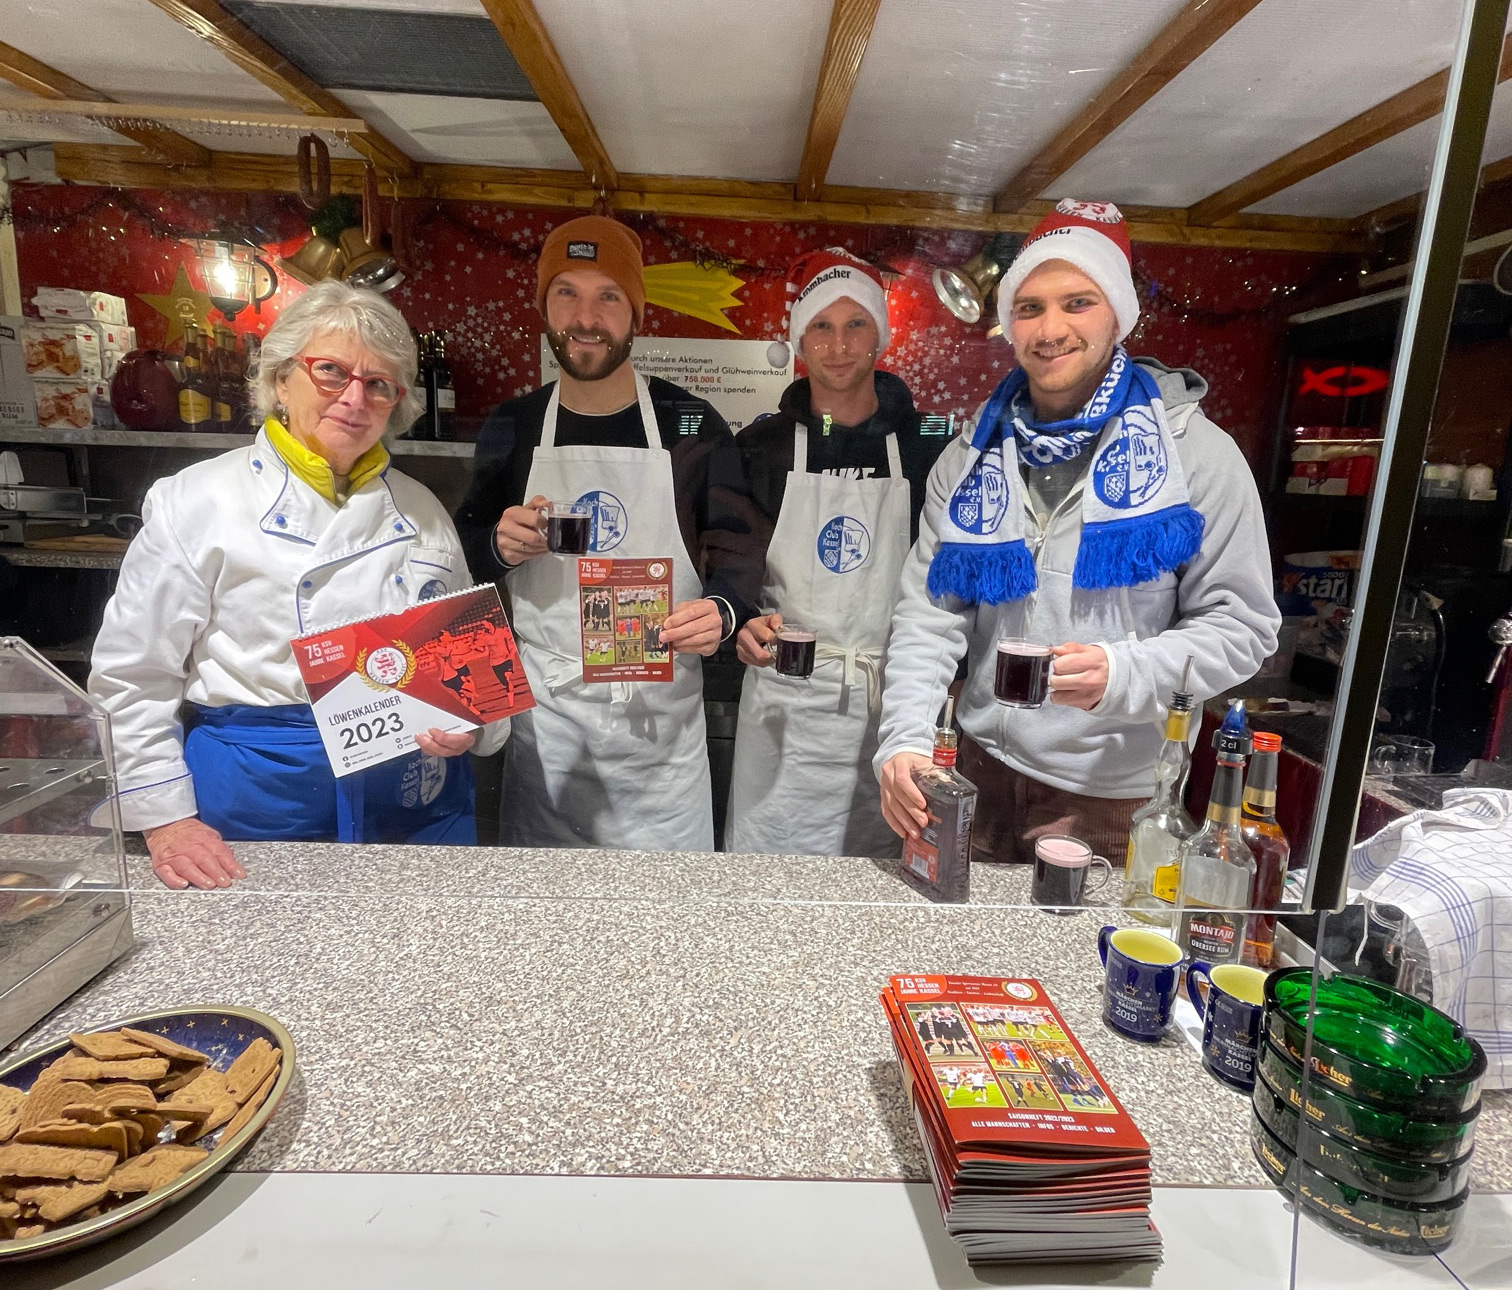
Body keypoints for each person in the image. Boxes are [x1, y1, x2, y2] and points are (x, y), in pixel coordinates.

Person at [876, 199, 1280, 866]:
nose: (1050, 327)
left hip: (1108, 800)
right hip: (975, 774)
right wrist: (903, 743)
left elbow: (1244, 628)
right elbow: (929, 616)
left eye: (1078, 303)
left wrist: (1125, 671)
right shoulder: (973, 454)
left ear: (1119, 313)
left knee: (1077, 969)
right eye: (1029, 307)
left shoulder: (1197, 457)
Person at [90, 281, 509, 890]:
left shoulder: (424, 510)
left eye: (379, 383)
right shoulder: (199, 500)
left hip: (412, 792)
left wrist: (470, 724)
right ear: (282, 379)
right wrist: (166, 821)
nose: (354, 398)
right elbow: (133, 676)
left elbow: (469, 665)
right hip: (261, 796)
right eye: (331, 371)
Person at [454, 215, 760, 850]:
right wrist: (497, 546)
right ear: (543, 307)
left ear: (636, 313)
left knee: (669, 930)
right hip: (550, 731)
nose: (585, 317)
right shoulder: (513, 426)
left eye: (608, 296)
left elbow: (740, 547)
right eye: (566, 292)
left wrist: (723, 611)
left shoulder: (691, 424)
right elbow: (463, 562)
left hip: (661, 740)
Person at [725, 249, 950, 857]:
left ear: (882, 332)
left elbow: (950, 587)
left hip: (888, 706)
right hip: (785, 706)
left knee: (879, 887)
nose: (838, 344)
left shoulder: (931, 447)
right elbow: (727, 558)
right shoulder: (761, 447)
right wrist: (742, 623)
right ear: (799, 339)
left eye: (856, 324)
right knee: (769, 884)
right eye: (820, 326)